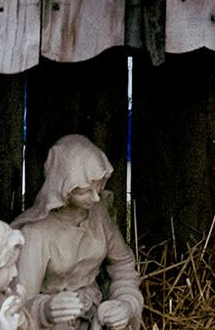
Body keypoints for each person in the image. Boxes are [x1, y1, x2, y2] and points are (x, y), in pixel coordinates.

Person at [12, 135, 142, 330]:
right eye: (85, 191)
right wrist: (45, 310)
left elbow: (122, 265)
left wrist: (126, 303)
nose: (96, 197)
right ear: (63, 189)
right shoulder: (35, 233)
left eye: (99, 187)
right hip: (55, 323)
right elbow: (18, 303)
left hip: (96, 316)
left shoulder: (98, 214)